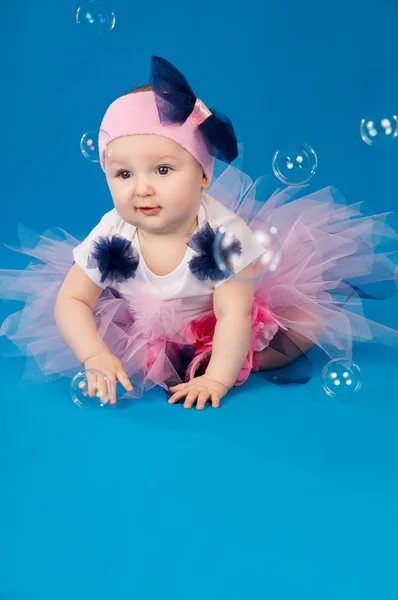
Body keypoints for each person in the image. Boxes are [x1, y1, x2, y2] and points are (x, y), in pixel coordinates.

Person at [1, 56, 398, 409]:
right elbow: (72, 299)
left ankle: (238, 361)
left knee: (305, 324)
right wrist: (94, 356)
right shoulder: (113, 231)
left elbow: (233, 313)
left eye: (162, 170)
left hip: (218, 325)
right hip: (143, 328)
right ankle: (170, 360)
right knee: (123, 345)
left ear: (204, 175)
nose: (142, 188)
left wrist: (218, 379)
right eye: (123, 174)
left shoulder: (224, 234)